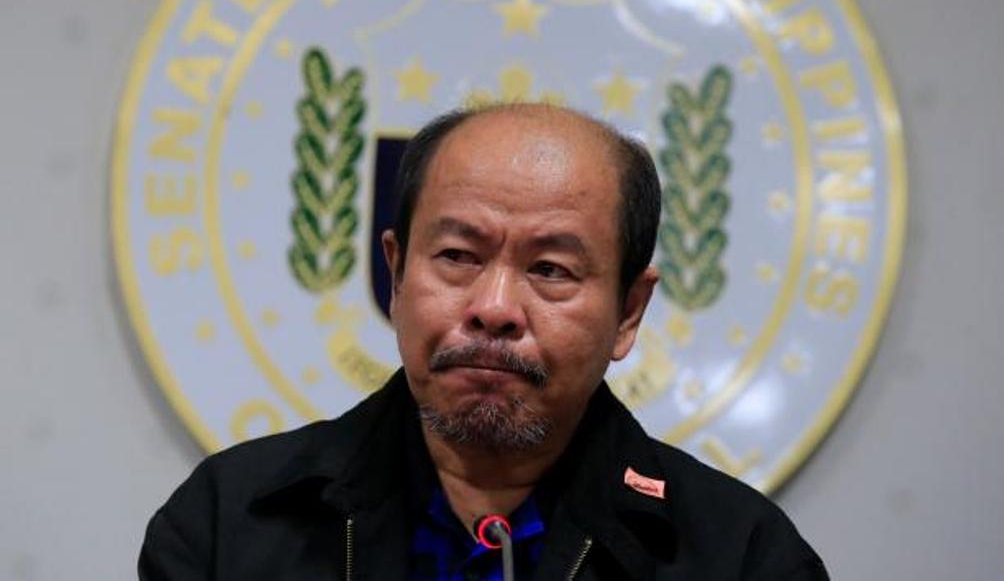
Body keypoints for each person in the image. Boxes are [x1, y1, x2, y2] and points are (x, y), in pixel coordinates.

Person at [139, 103, 828, 580]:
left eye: (551, 270)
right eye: (459, 257)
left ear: (628, 311)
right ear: (396, 273)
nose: (494, 309)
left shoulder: (740, 557)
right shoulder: (230, 523)